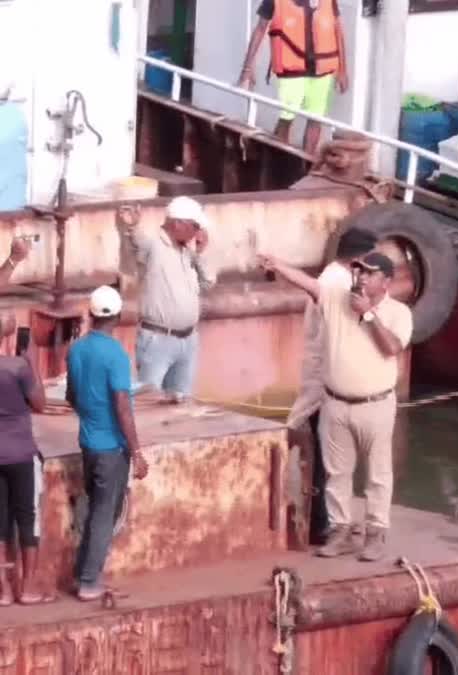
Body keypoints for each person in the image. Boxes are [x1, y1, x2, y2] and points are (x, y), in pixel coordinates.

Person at [259, 252, 412, 562]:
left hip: (376, 405)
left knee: (378, 475)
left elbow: (392, 347)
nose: (362, 277)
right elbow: (310, 285)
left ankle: (375, 533)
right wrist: (279, 265)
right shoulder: (336, 298)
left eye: (369, 273)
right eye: (359, 271)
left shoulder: (398, 312)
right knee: (336, 473)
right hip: (335, 403)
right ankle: (339, 531)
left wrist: (368, 315)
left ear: (386, 281)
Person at [285, 227, 378, 546]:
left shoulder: (337, 278)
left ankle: (324, 522)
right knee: (327, 459)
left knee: (328, 458)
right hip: (325, 383)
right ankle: (320, 525)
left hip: (326, 379)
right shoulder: (336, 283)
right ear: (360, 259)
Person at [66, 286, 148, 602]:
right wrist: (137, 452)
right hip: (111, 448)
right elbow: (122, 406)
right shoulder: (115, 354)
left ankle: (83, 573)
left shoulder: (76, 349)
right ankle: (89, 581)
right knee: (104, 513)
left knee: (97, 509)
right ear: (118, 316)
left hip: (88, 442)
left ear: (90, 314)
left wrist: (91, 416)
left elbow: (72, 395)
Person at [122, 196, 215, 405]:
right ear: (178, 224)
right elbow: (138, 242)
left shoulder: (187, 250)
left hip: (188, 340)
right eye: (195, 226)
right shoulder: (154, 244)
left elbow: (208, 282)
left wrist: (200, 253)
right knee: (149, 402)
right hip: (158, 338)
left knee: (183, 404)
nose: (198, 231)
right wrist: (132, 226)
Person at [238, 0, 350, 155]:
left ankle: (305, 165)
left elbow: (338, 31)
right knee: (286, 116)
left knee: (316, 119)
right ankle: (278, 160)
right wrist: (247, 68)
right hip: (292, 70)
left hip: (322, 69)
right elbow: (260, 29)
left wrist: (343, 71)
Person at [0, 313, 51, 605]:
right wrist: (32, 360)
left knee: (0, 521)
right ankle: (27, 587)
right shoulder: (18, 367)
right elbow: (40, 404)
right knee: (27, 518)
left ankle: (4, 589)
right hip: (20, 453)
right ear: (6, 336)